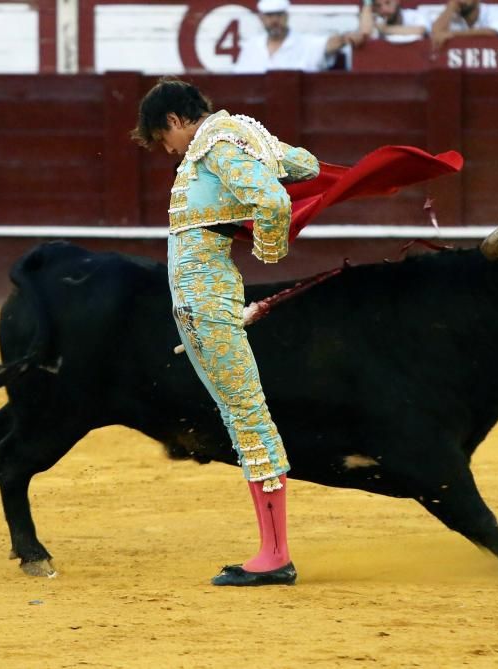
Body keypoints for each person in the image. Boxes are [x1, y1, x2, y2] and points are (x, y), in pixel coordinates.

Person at [131, 78, 320, 586]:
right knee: (245, 414)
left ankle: (275, 555)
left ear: (173, 120)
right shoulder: (235, 136)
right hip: (207, 303)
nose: (166, 150)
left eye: (161, 137)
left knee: (247, 418)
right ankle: (273, 549)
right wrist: (264, 148)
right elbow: (307, 166)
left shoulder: (212, 144)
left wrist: (270, 250)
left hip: (206, 304)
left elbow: (274, 202)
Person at [233, 0, 363, 73]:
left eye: (278, 15)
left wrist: (345, 38)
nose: (274, 21)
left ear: (286, 16)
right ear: (261, 19)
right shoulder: (251, 47)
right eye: (269, 16)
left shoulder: (306, 44)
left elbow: (329, 44)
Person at [430, 0, 498, 49]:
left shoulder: (495, 9)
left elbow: (494, 32)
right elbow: (437, 34)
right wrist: (450, 7)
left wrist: (452, 34)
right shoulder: (449, 13)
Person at [358, 0, 432, 41]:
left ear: (397, 1)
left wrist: (385, 29)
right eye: (378, 6)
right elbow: (365, 33)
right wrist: (367, 2)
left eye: (388, 3)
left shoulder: (415, 15)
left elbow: (420, 30)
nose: (384, 10)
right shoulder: (376, 21)